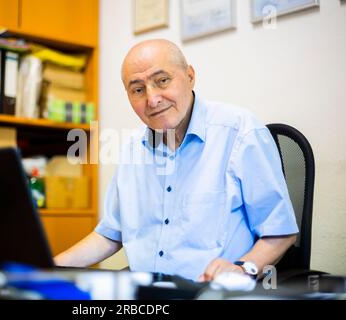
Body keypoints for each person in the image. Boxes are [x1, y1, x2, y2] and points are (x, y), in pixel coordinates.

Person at [54, 39, 298, 282]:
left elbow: (280, 232)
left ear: (190, 76)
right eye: (138, 90)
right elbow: (110, 235)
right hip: (148, 294)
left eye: (162, 81)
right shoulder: (132, 149)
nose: (152, 99)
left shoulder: (239, 132)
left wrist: (244, 268)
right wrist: (47, 267)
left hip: (210, 294)